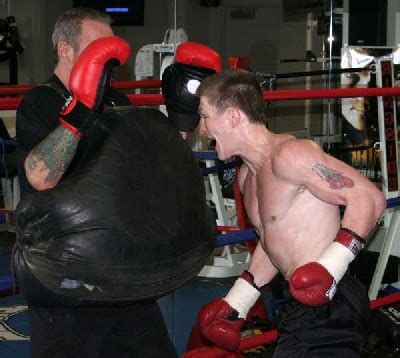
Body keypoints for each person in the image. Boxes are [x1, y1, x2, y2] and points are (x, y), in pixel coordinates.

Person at [15, 8, 179, 358]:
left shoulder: (117, 102)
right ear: (65, 51)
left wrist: (181, 121)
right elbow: (41, 177)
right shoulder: (40, 102)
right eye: (97, 48)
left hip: (123, 269)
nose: (108, 59)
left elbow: (145, 173)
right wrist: (79, 114)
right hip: (66, 275)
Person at [194, 69, 387, 356]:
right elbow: (274, 242)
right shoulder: (248, 176)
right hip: (296, 304)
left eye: (206, 116)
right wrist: (239, 300)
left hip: (331, 301)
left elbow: (369, 197)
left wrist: (331, 267)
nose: (202, 129)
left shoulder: (290, 156)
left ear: (233, 116)